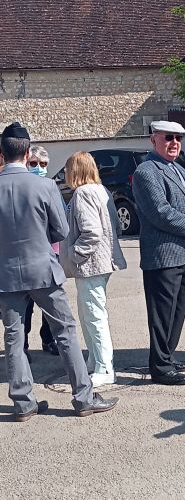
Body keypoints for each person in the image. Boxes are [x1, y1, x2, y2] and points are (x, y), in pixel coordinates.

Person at [0, 122, 118, 421]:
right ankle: (83, 396)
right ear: (28, 153)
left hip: (7, 274)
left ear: (2, 153)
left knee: (13, 337)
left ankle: (23, 402)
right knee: (64, 332)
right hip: (43, 268)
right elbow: (61, 230)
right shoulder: (45, 185)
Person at [132, 121, 185, 385]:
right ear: (153, 139)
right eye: (168, 137)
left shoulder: (180, 170)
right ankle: (160, 366)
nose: (174, 143)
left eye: (178, 138)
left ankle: (167, 356)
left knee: (177, 312)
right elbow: (160, 212)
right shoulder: (147, 171)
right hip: (164, 255)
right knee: (162, 313)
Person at [60, 151, 127, 388]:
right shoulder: (102, 190)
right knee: (91, 314)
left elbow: (92, 232)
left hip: (90, 265)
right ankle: (94, 361)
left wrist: (74, 255)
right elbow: (116, 226)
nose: (66, 173)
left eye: (68, 169)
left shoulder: (83, 193)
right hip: (100, 262)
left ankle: (104, 367)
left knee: (94, 316)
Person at [24, 145, 59, 360]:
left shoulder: (50, 185)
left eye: (43, 164)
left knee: (50, 304)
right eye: (34, 164)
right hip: (28, 254)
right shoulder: (22, 187)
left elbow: (60, 221)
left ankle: (48, 339)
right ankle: (23, 343)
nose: (39, 168)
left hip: (51, 252)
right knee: (26, 304)